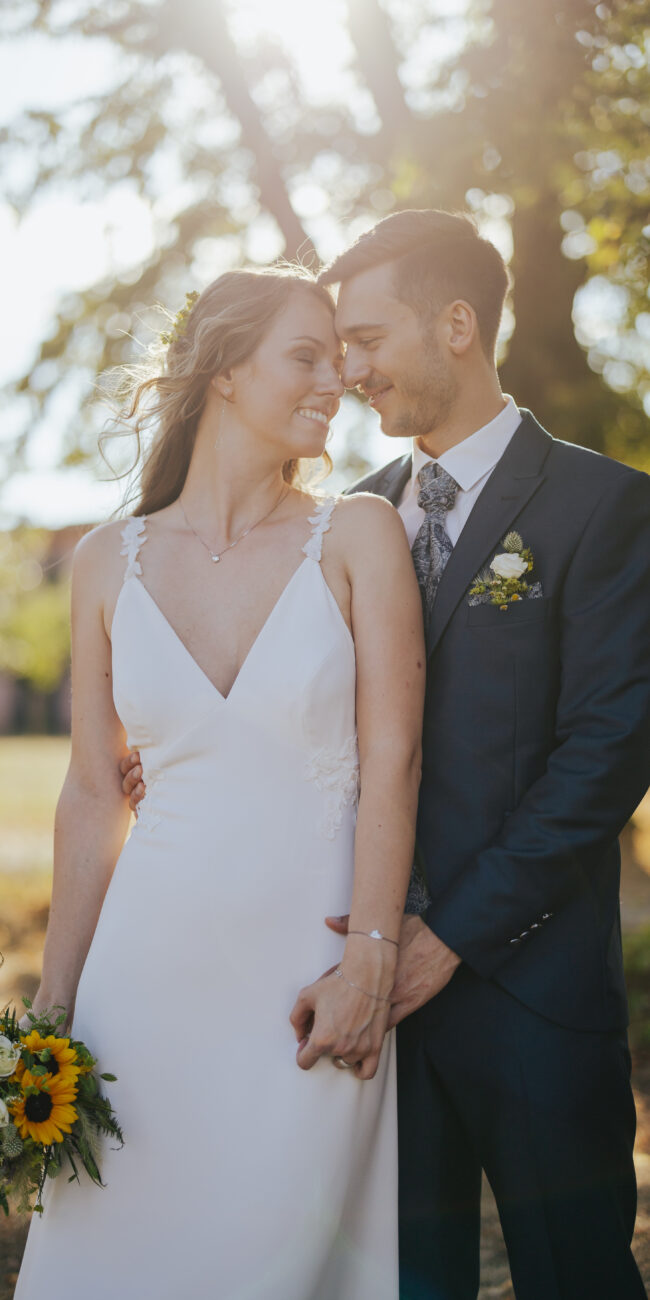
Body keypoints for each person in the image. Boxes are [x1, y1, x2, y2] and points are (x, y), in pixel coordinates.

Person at [126, 210, 650, 1298]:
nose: (348, 372)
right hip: (356, 999)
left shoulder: (602, 508)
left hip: (532, 995)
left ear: (455, 324)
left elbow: (603, 755)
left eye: (365, 340)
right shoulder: (344, 520)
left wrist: (442, 936)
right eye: (330, 347)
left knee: (577, 1277)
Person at [14, 266, 425, 1300]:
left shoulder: (359, 535)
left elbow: (394, 765)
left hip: (307, 989)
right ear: (221, 368)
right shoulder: (109, 559)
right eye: (306, 356)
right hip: (141, 982)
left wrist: (368, 961)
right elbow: (92, 795)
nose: (335, 381)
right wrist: (52, 1013)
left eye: (339, 358)